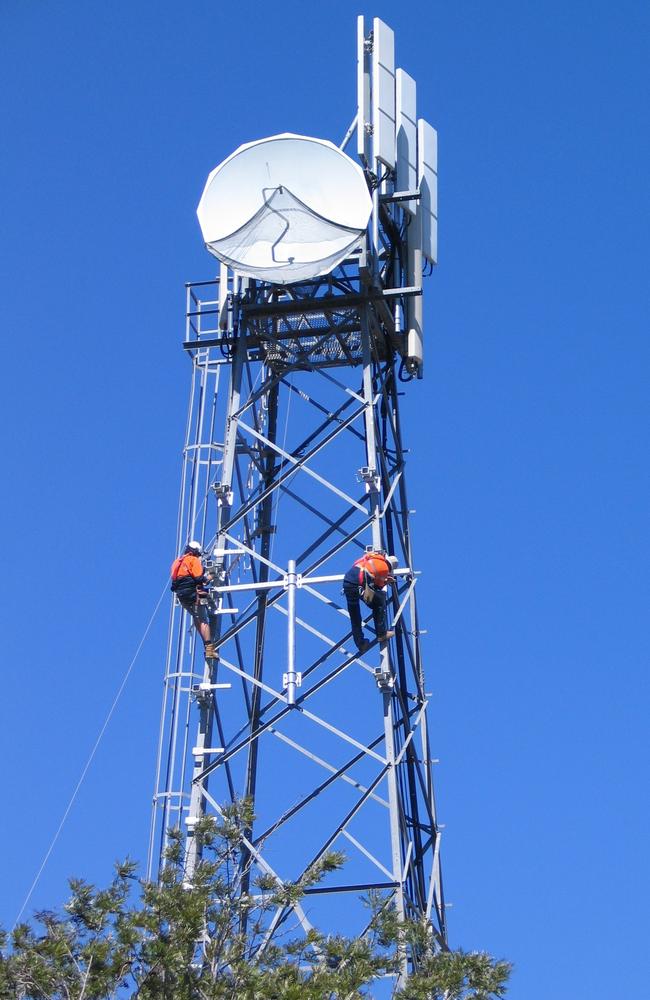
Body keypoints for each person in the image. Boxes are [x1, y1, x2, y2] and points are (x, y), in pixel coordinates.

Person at [343, 550, 398, 653]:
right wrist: (386, 582)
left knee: (355, 617)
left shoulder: (370, 558)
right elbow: (377, 586)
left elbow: (370, 576)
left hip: (347, 583)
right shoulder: (384, 567)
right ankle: (381, 633)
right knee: (380, 601)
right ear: (390, 567)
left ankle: (361, 644)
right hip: (358, 585)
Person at [170, 540, 217, 659]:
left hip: (182, 597)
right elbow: (200, 579)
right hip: (192, 595)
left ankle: (207, 646)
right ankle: (209, 648)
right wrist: (212, 575)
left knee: (197, 618)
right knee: (203, 621)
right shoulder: (193, 560)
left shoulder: (177, 562)